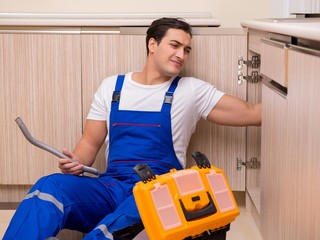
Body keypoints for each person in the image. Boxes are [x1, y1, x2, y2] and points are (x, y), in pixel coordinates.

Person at [4, 17, 261, 239]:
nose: (181, 55)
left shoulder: (191, 91)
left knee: (114, 229)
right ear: (152, 44)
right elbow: (89, 144)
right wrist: (75, 162)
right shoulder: (112, 87)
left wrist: (295, 94)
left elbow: (251, 113)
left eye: (187, 49)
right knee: (48, 187)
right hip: (111, 187)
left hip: (159, 193)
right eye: (175, 45)